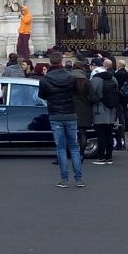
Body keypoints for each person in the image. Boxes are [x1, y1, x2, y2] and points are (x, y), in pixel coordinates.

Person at [39, 52, 84, 187]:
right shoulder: (71, 77)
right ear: (62, 61)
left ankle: (64, 179)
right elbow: (75, 92)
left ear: (50, 62)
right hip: (70, 113)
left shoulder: (45, 79)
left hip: (55, 114)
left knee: (61, 148)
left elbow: (42, 95)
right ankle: (78, 179)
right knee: (74, 147)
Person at [90, 58, 119, 164]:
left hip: (99, 110)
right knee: (109, 134)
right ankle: (109, 156)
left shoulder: (96, 80)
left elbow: (91, 95)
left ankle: (101, 156)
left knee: (100, 135)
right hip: (111, 110)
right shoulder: (113, 79)